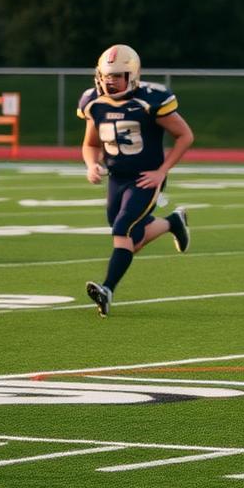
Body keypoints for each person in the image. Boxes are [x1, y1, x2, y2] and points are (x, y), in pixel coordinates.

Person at [77, 44, 194, 316]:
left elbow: (185, 135)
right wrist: (91, 164)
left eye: (118, 76)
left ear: (132, 76)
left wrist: (162, 170)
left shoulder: (150, 100)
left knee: (121, 230)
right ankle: (172, 223)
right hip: (117, 178)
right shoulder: (93, 102)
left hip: (146, 178)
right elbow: (90, 143)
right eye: (107, 75)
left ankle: (106, 290)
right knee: (134, 239)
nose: (111, 81)